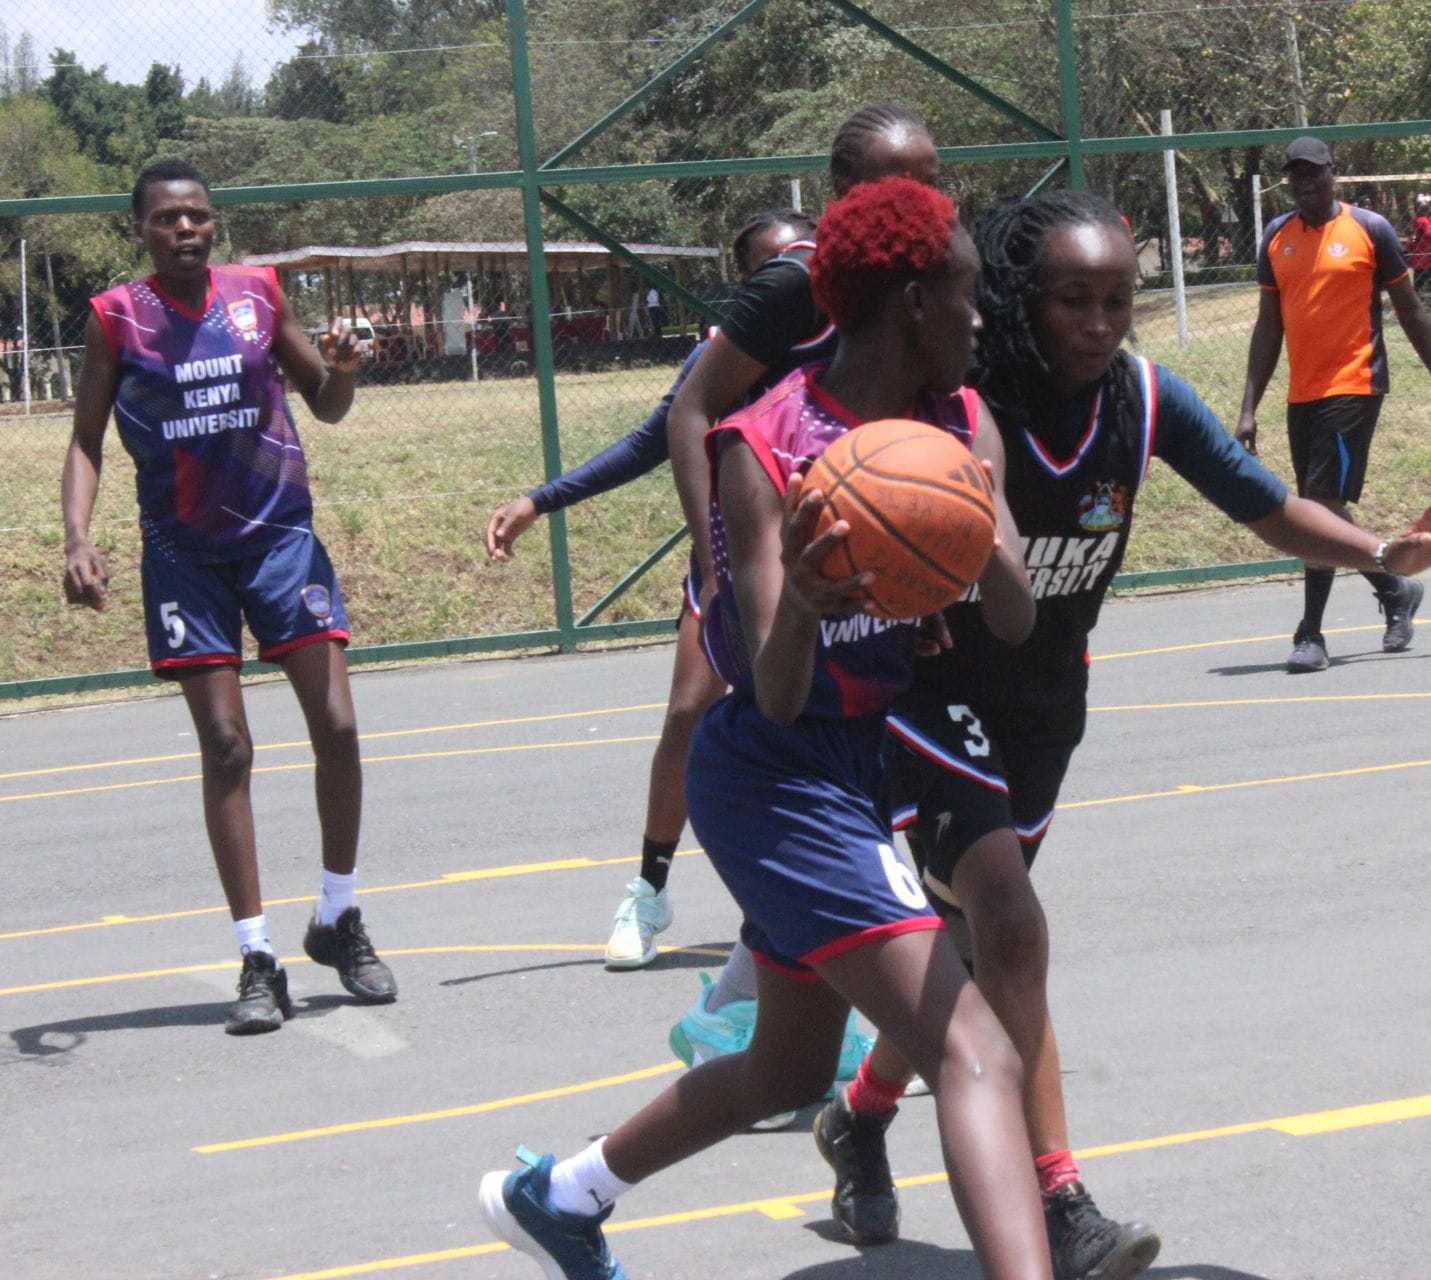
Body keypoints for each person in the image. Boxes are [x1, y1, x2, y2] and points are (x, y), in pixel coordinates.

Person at [812, 187, 1431, 1280]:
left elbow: (1265, 503)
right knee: (1013, 922)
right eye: (1072, 298)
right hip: (932, 695)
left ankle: (862, 1110)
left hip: (1044, 706)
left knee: (985, 952)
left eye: (1117, 299)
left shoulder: (1140, 397)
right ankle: (1061, 1200)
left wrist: (1384, 550)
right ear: (1018, 301)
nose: (1097, 319)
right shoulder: (957, 403)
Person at [480, 175, 1053, 1280]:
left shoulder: (959, 422)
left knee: (787, 1067)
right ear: (912, 298)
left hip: (855, 765)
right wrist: (806, 595)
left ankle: (560, 1193)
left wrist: (969, 529)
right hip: (772, 777)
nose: (984, 320)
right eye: (970, 295)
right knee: (972, 1043)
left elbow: (1017, 617)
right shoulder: (765, 441)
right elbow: (776, 687)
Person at [61, 158, 397, 1035]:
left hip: (282, 539)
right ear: (139, 229)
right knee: (226, 747)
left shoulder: (256, 296)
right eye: (168, 218)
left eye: (199, 217)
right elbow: (86, 441)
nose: (186, 230)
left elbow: (323, 405)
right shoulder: (114, 320)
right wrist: (77, 538)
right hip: (184, 555)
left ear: (215, 225)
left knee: (341, 726)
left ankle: (338, 917)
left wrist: (345, 370)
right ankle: (257, 957)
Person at [660, 101, 942, 1062]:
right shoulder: (794, 290)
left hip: (884, 554)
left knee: (854, 781)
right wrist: (715, 555)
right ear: (836, 199)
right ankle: (861, 1027)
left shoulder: (937, 289)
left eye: (929, 180)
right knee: (768, 738)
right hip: (781, 537)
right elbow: (691, 406)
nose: (912, 200)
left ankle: (756, 1016)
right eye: (885, 184)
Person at [484, 210, 817, 970]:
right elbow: (650, 439)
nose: (787, 273)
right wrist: (542, 499)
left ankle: (815, 893)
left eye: (799, 256)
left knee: (820, 725)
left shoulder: (849, 346)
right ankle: (649, 888)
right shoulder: (722, 358)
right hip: (733, 561)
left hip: (826, 557)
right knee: (687, 712)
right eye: (770, 265)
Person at [1236, 136, 1431, 674]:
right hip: (1303, 394)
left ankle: (1310, 633)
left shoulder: (1370, 230)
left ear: (1332, 173)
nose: (1306, 182)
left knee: (1315, 507)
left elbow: (1411, 310)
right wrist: (1249, 405)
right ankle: (1394, 588)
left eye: (1314, 172)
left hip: (1357, 384)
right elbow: (1268, 326)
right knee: (1320, 509)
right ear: (1288, 180)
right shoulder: (1276, 238)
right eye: (1296, 174)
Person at [1405, 192, 1431, 297]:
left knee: (1430, 292)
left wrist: (1423, 222)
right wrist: (1411, 237)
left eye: (1426, 208)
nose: (1423, 211)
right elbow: (1411, 245)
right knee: (1418, 292)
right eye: (1421, 208)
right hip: (1419, 262)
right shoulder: (1415, 222)